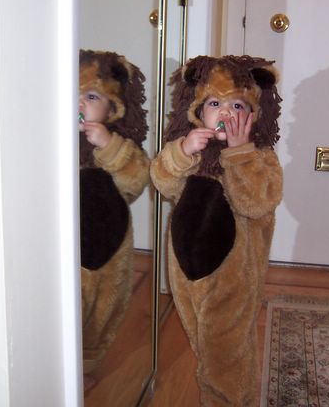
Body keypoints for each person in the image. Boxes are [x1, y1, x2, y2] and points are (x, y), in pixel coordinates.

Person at [150, 55, 283, 405]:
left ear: (254, 114)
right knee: (203, 341)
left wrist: (239, 153)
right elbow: (163, 182)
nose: (225, 112)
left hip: (233, 277)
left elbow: (257, 203)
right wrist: (181, 151)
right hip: (186, 273)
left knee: (226, 349)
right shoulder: (192, 151)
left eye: (237, 105)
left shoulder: (259, 157)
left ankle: (229, 400)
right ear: (198, 111)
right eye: (214, 104)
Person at [78, 49, 150, 391]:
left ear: (112, 109)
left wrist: (107, 145)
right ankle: (56, 361)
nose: (79, 104)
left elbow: (136, 180)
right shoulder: (49, 143)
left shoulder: (119, 144)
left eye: (91, 97)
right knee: (65, 305)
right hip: (63, 250)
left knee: (103, 307)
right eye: (72, 95)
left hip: (110, 247)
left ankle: (85, 361)